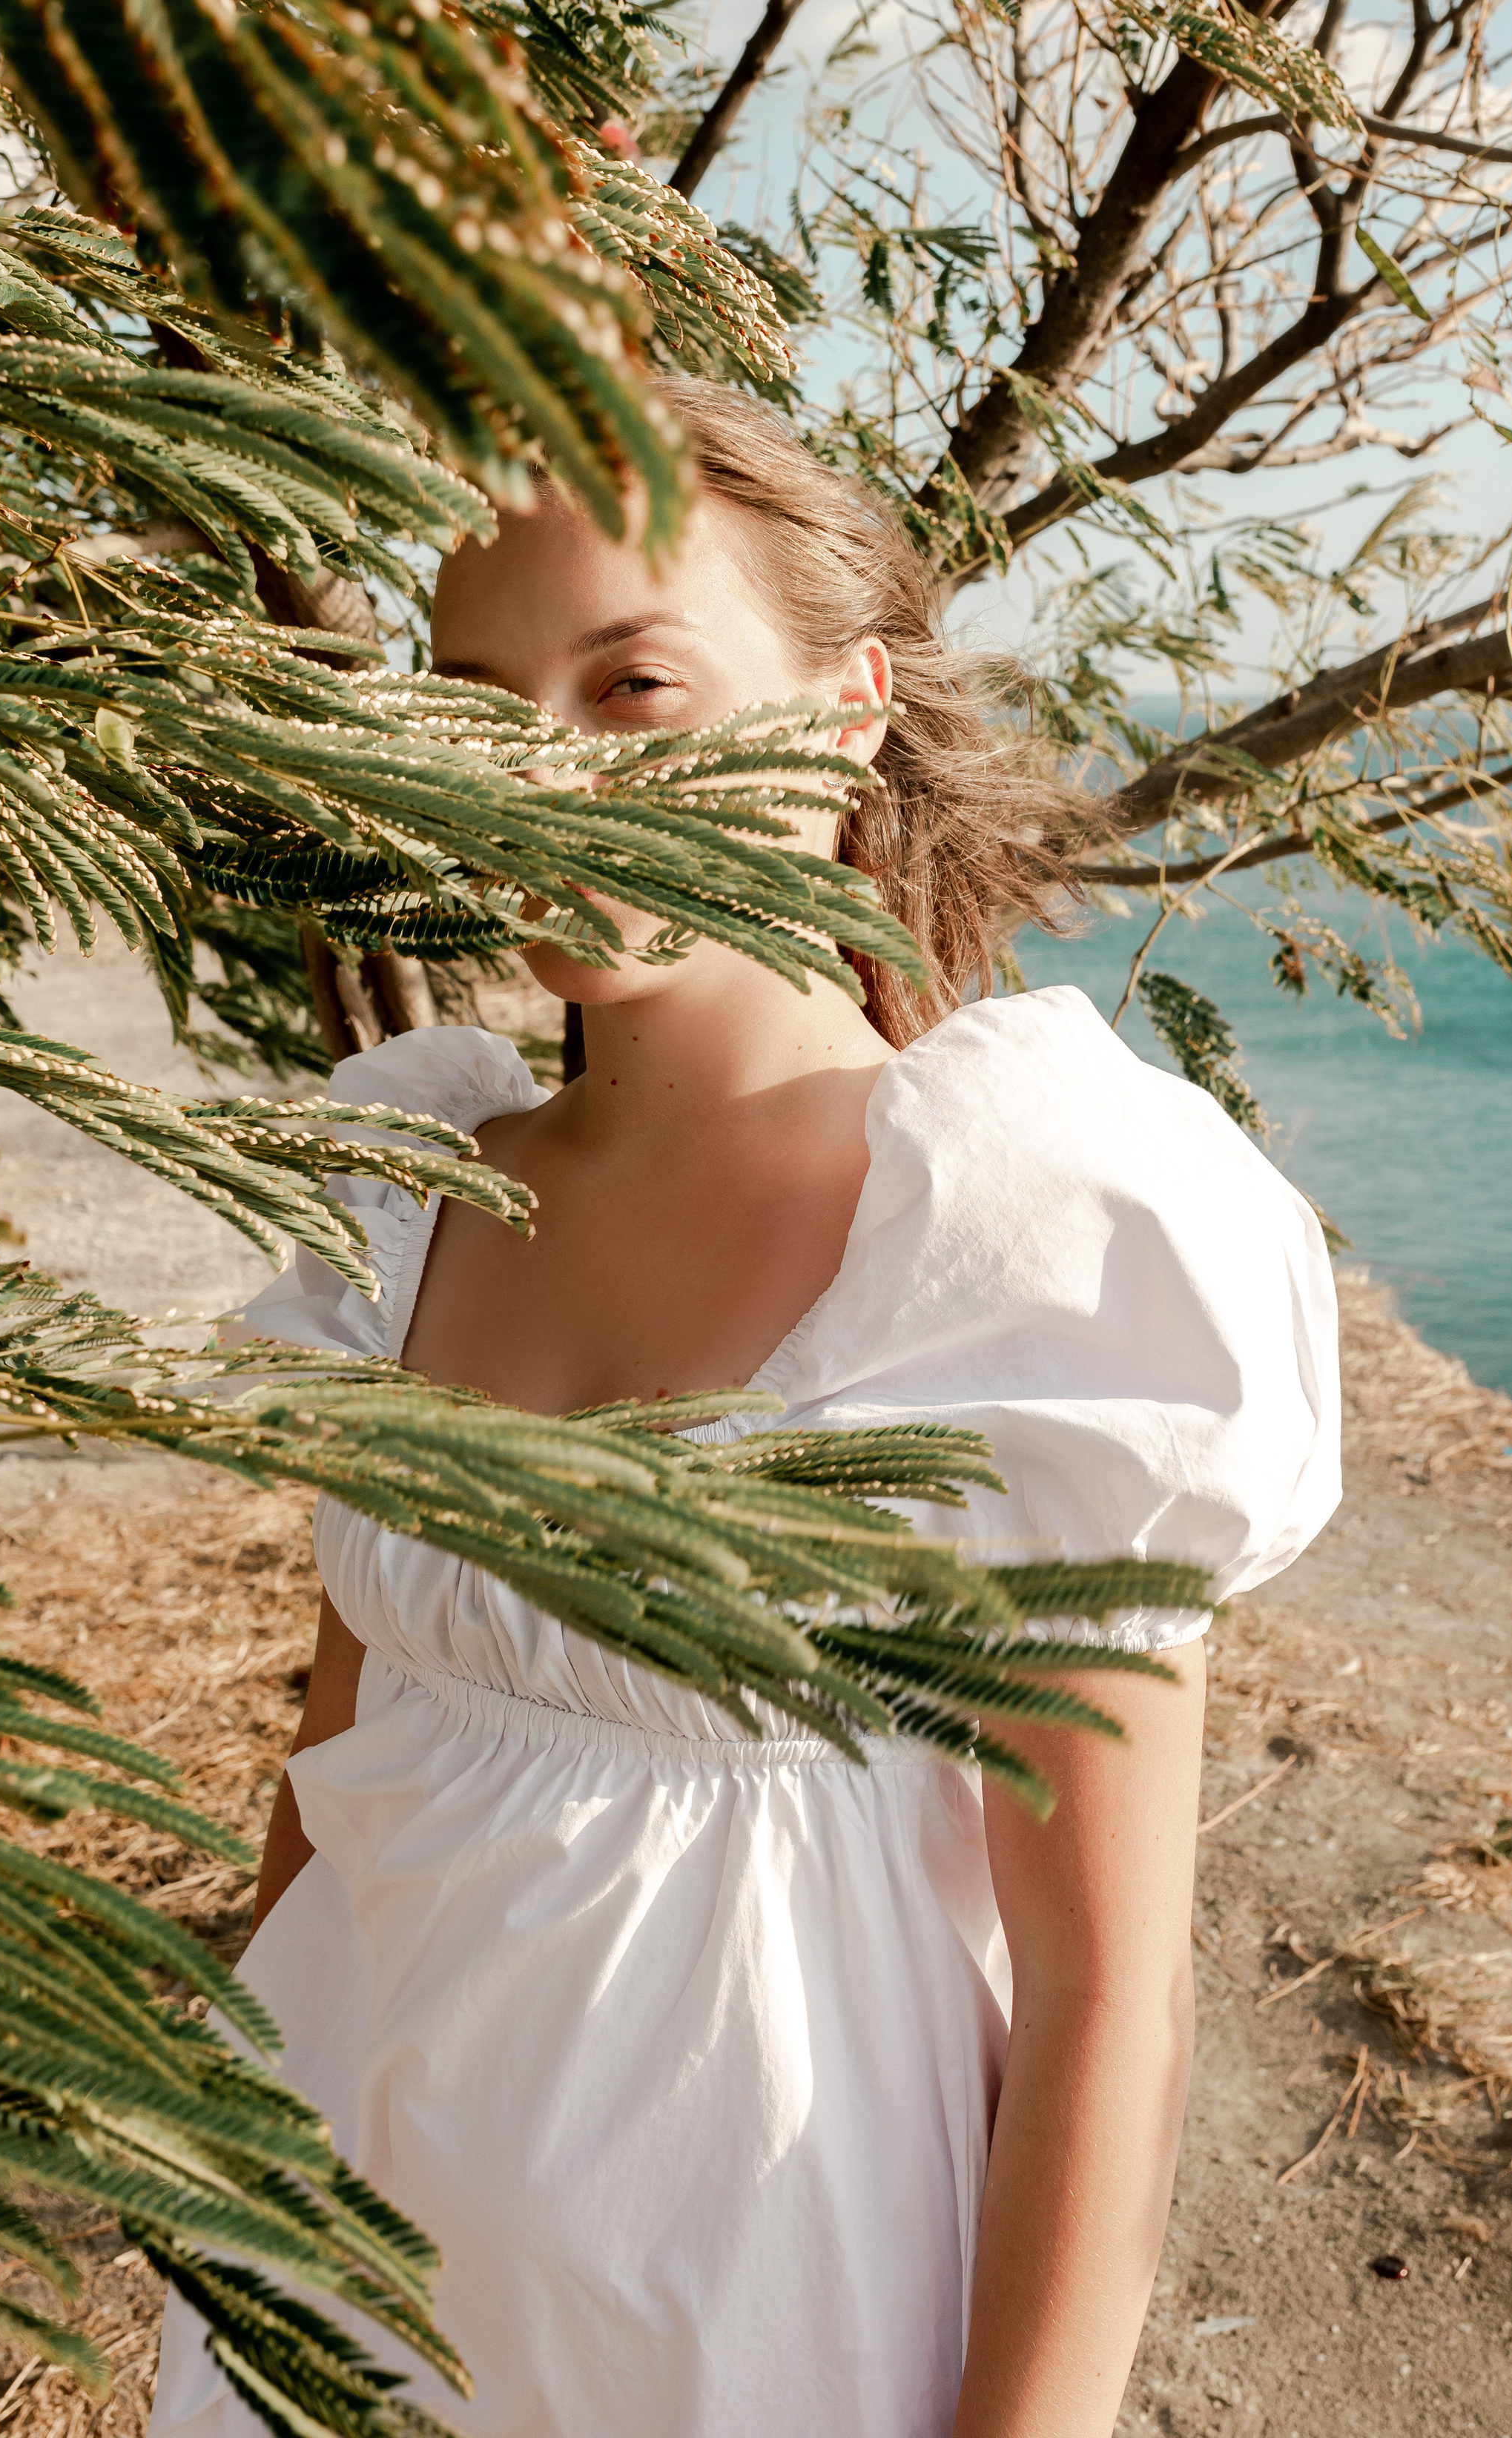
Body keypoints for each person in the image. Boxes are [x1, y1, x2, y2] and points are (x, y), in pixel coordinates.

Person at [148, 382, 1340, 2438]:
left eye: (636, 684)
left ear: (851, 707)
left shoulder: (1037, 1238)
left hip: (769, 2308)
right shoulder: (404, 1189)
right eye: (478, 697)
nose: (544, 772)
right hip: (341, 2260)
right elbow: (345, 1769)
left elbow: (1103, 1999)